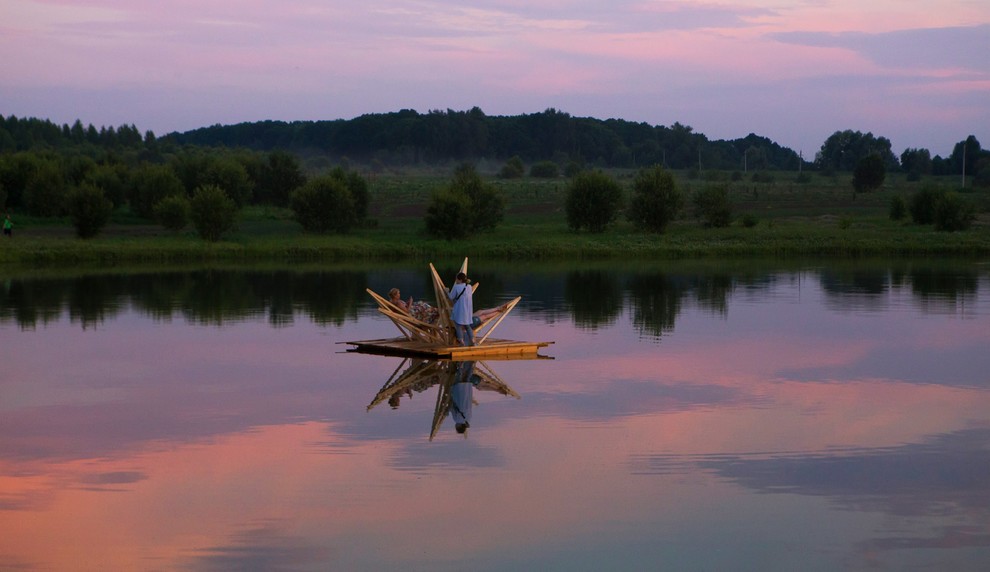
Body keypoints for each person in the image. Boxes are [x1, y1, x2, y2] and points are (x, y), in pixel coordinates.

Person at [448, 272, 474, 346]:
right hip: (468, 309)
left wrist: (447, 292)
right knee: (467, 325)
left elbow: (451, 297)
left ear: (459, 280)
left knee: (458, 325)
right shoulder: (469, 287)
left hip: (460, 309)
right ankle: (473, 341)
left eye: (456, 279)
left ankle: (461, 342)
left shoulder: (456, 287)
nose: (456, 280)